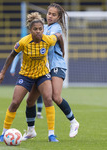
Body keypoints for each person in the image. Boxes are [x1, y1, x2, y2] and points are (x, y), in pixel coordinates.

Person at [0, 12, 64, 143]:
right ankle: (3, 133)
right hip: (26, 75)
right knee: (15, 103)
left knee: (48, 99)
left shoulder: (48, 39)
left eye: (40, 29)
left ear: (43, 30)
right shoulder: (23, 42)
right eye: (35, 29)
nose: (38, 32)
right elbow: (12, 55)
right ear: (30, 30)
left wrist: (62, 52)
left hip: (42, 75)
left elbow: (59, 36)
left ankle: (51, 135)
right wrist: (2, 73)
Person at [22, 3, 79, 142]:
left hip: (56, 65)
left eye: (54, 14)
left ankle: (73, 122)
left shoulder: (56, 27)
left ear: (58, 17)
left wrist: (35, 35)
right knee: (30, 100)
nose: (50, 16)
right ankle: (30, 131)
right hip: (43, 68)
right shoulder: (45, 27)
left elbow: (54, 39)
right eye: (49, 13)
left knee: (55, 96)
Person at [10, 52, 44, 119]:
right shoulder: (24, 43)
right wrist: (12, 69)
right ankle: (31, 114)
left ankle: (39, 112)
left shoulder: (40, 44)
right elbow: (17, 56)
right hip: (25, 74)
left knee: (39, 92)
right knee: (29, 97)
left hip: (38, 72)